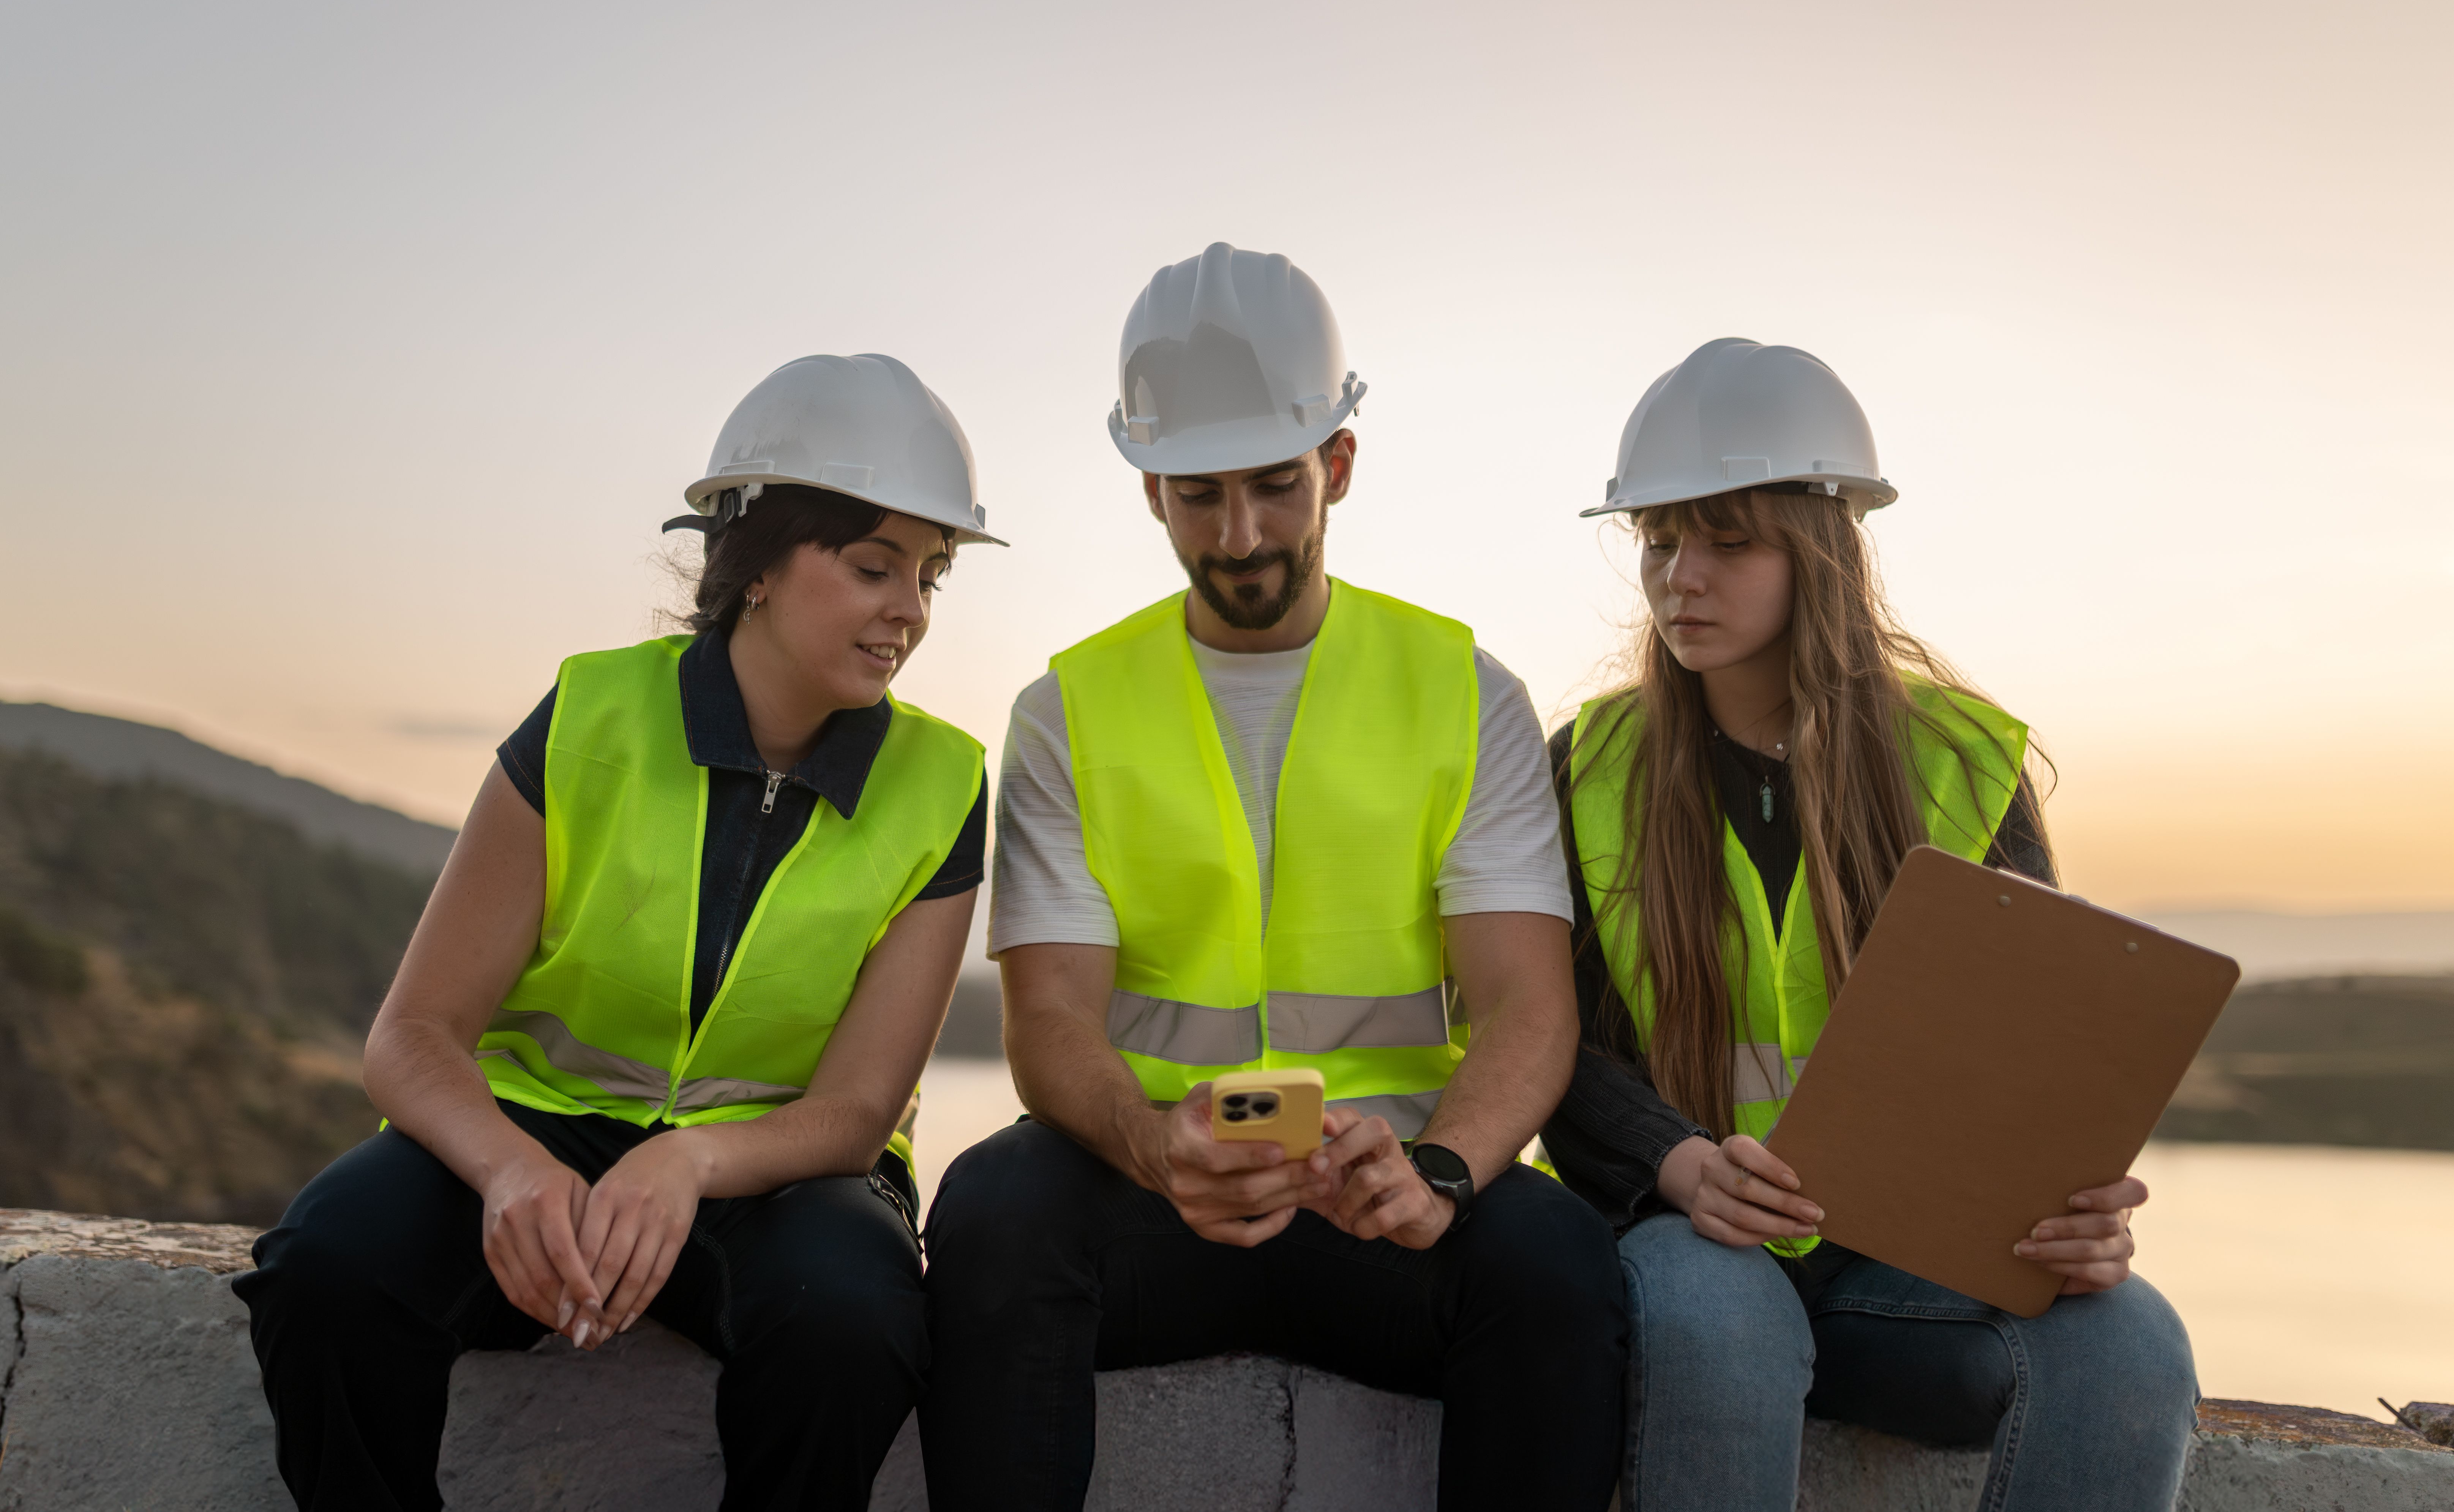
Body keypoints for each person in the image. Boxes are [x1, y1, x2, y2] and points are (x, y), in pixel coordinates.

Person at [919, 243, 1627, 1510]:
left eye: (1274, 486)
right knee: (993, 1212)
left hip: (1391, 1196)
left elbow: (1530, 1008)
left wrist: (1445, 1172)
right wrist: (1149, 1142)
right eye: (1198, 494)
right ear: (1149, 489)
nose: (1240, 536)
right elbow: (1049, 1022)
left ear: (1337, 467)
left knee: (1559, 1261)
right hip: (1154, 1197)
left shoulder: (1465, 695)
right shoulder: (1068, 710)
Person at [234, 354, 1004, 1511]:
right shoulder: (592, 712)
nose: (911, 608)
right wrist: (510, 1170)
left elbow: (852, 1112)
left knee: (853, 1321)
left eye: (931, 574)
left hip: (777, 1179)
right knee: (329, 1270)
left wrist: (688, 1157)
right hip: (535, 1149)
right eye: (872, 564)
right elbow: (413, 1036)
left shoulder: (944, 781)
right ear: (753, 562)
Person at [1540, 338, 2200, 1510]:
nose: (1681, 576)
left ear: (1822, 546)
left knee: (2132, 1341)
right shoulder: (1592, 766)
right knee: (1716, 1315)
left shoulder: (1963, 759)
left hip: (1901, 1265)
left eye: (1727, 540)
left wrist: (2075, 1208)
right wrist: (1676, 1163)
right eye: (1658, 541)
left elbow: (2042, 1057)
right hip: (1691, 1236)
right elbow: (1557, 1044)